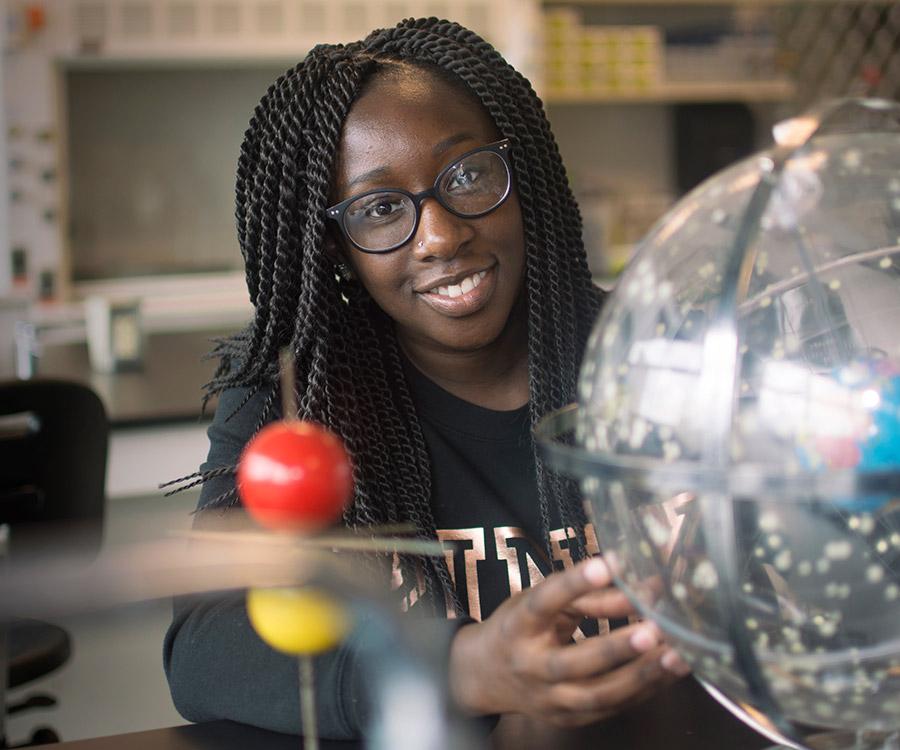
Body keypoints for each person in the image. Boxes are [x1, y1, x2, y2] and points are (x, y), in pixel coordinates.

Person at [163, 16, 688, 741]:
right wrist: (467, 668)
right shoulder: (301, 402)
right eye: (381, 209)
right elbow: (204, 647)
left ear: (522, 176)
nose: (441, 236)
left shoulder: (666, 352)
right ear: (337, 248)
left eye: (468, 174)